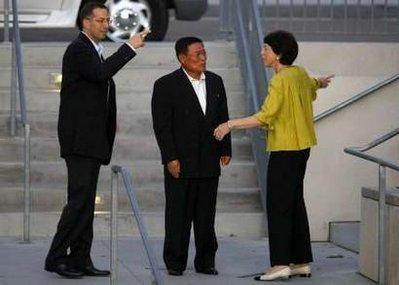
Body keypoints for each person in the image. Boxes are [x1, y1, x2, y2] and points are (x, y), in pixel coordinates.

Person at [214, 30, 334, 281]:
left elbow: (264, 116)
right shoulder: (299, 72)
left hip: (284, 149)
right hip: (302, 149)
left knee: (279, 206)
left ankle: (280, 264)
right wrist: (321, 82)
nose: (262, 52)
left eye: (266, 48)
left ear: (278, 54)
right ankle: (300, 261)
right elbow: (312, 84)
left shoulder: (279, 81)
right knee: (294, 203)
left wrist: (230, 125)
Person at [44, 2, 149, 279]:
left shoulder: (93, 49)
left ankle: (80, 258)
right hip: (80, 140)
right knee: (79, 201)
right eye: (101, 21)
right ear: (86, 21)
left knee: (87, 202)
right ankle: (56, 257)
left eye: (107, 20)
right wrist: (130, 47)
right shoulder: (78, 49)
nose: (106, 25)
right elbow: (101, 74)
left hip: (92, 139)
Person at [151, 37, 232, 276]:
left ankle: (206, 261)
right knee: (178, 214)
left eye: (204, 53)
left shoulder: (216, 81)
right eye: (197, 54)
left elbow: (223, 116)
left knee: (206, 215)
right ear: (182, 58)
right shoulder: (165, 84)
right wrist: (170, 158)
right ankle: (175, 262)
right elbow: (162, 126)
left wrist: (226, 148)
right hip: (181, 161)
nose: (203, 58)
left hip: (208, 158)